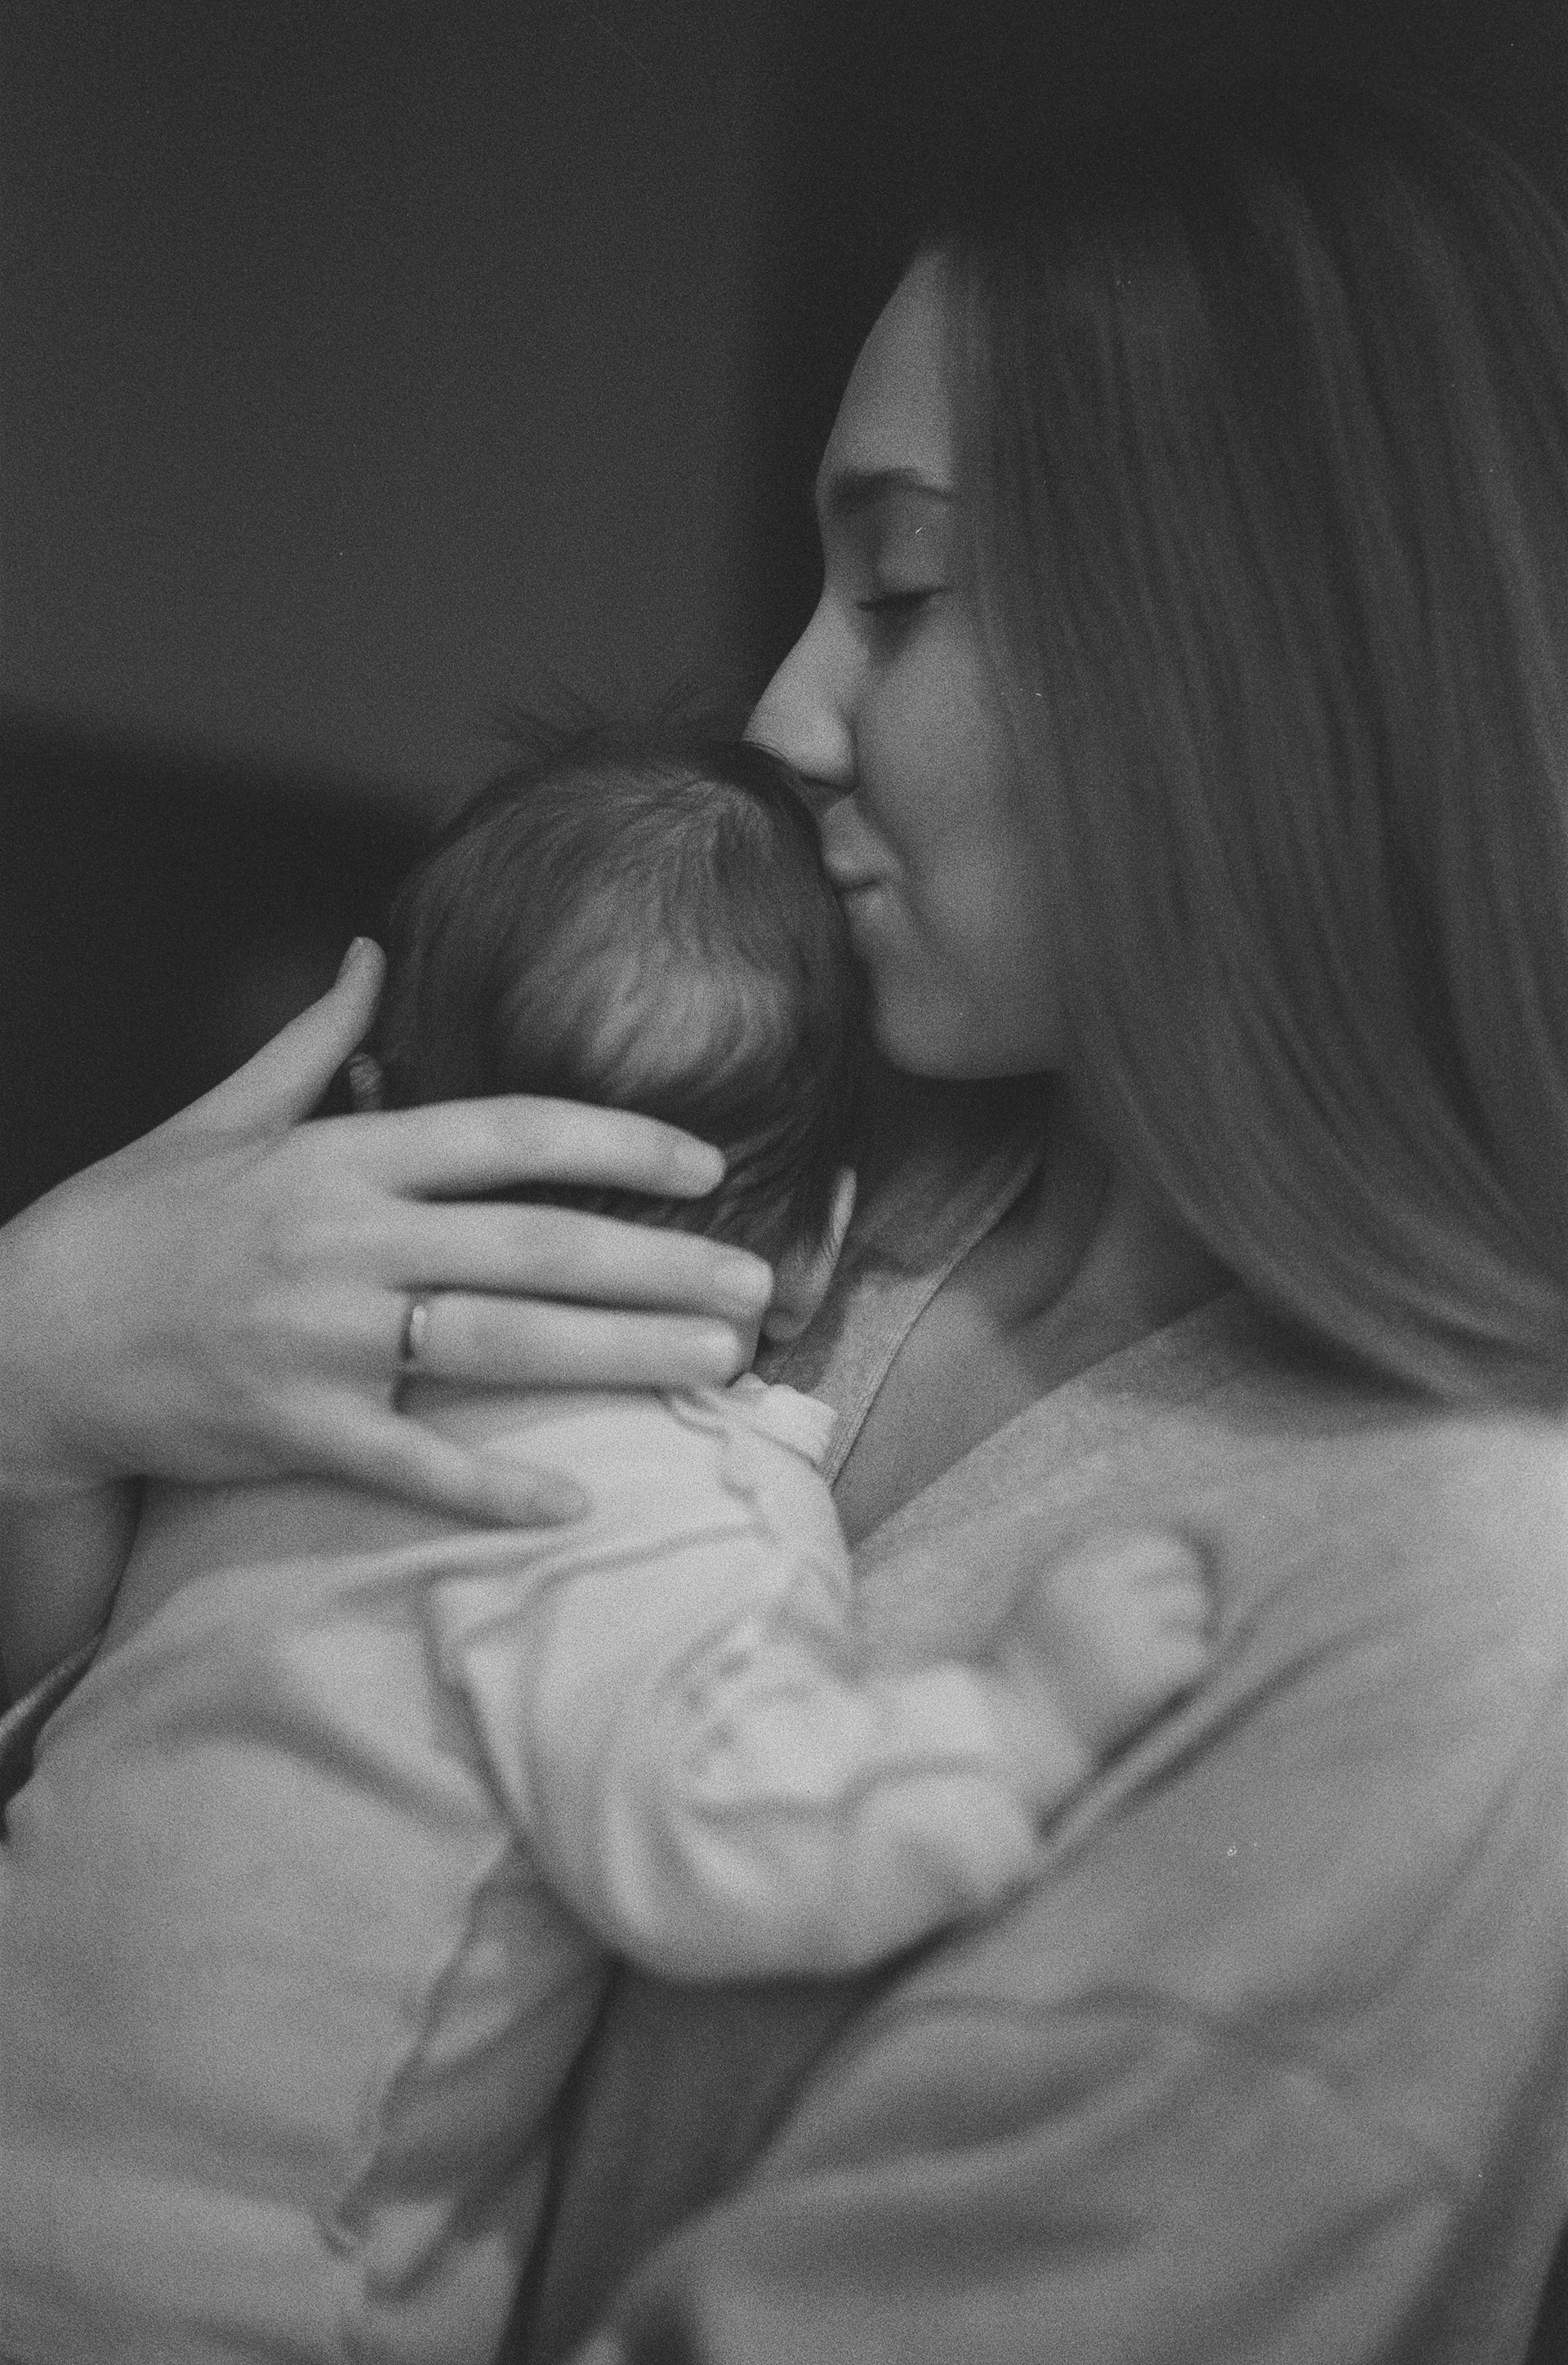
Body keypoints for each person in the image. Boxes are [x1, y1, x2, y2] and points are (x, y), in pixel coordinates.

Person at [4, 73, 1568, 2365]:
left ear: (1262, 660)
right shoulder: (787, 1174)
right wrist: (41, 1370)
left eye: (902, 589)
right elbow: (181, 1779)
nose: (781, 712)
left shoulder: (1451, 1625)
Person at [0, 720, 1209, 2364]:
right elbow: (725, 1837)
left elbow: (69, 1682)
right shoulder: (666, 1508)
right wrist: (1018, 1717)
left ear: (374, 1117)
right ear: (820, 1247)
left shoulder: (238, 1387)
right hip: (230, 2305)